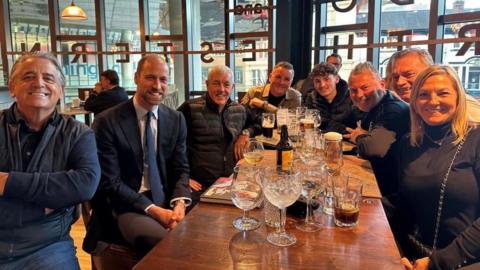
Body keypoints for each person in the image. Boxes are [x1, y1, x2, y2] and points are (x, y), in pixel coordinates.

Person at [0, 52, 100, 269]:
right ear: (12, 87)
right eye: (28, 77)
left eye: (48, 78)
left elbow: (85, 184)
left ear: (61, 90)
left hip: (48, 246)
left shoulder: (78, 133)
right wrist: (47, 203)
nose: (38, 83)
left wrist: (6, 182)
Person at [85, 54, 191, 255]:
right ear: (136, 78)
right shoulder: (107, 121)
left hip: (166, 199)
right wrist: (155, 210)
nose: (157, 86)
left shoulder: (176, 120)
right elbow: (110, 183)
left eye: (163, 79)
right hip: (125, 205)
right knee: (168, 245)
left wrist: (179, 203)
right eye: (150, 78)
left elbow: (181, 168)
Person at [388, 65, 480, 270]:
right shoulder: (408, 143)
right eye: (423, 95)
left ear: (458, 98)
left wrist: (437, 263)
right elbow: (405, 205)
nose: (433, 101)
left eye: (443, 93)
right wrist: (396, 251)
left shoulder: (476, 139)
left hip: (467, 259)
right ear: (414, 102)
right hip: (418, 253)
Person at [178, 65, 247, 208]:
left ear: (232, 87)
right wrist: (183, 178)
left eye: (226, 84)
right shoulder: (190, 108)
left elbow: (257, 124)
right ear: (207, 84)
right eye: (216, 83)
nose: (221, 89)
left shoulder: (239, 110)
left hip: (230, 182)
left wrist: (245, 134)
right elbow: (170, 145)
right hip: (198, 184)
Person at [344, 62, 409, 196]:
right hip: (375, 178)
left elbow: (373, 149)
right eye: (353, 90)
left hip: (392, 193)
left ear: (382, 84)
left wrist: (357, 137)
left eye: (365, 87)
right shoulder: (372, 106)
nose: (359, 95)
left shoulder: (393, 109)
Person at [387, 48, 480, 123]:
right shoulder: (409, 108)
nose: (400, 82)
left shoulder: (467, 109)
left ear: (429, 71)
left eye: (409, 74)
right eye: (395, 77)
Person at [304, 62, 362, 134]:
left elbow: (356, 129)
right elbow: (308, 127)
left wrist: (327, 126)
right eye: (317, 81)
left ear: (337, 79)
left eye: (326, 79)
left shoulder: (351, 97)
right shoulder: (311, 98)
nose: (322, 85)